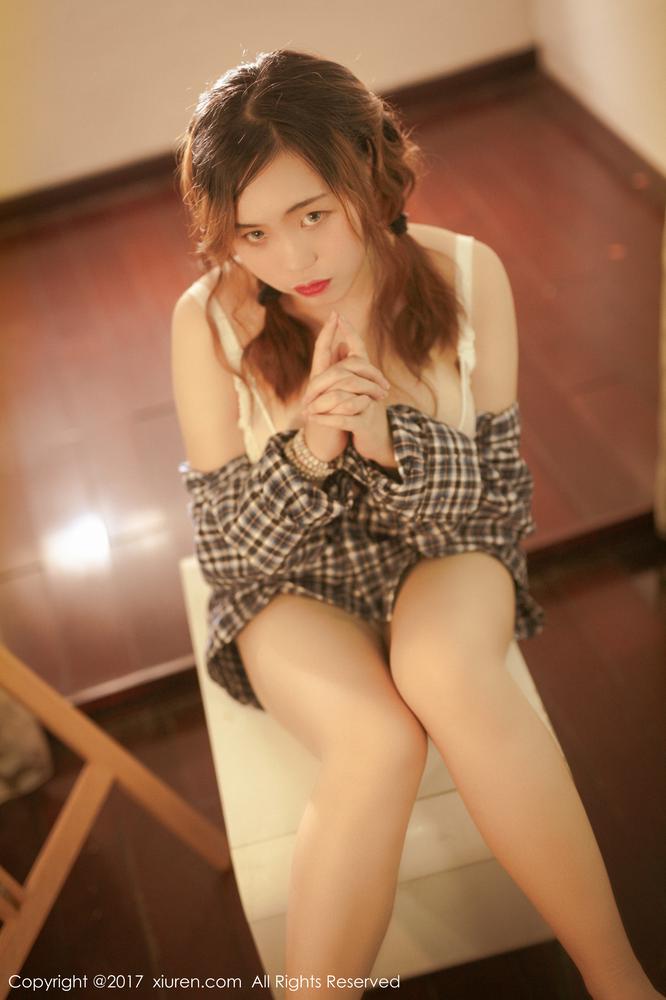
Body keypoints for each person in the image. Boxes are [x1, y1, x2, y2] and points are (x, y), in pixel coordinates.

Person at [171, 49, 662, 1000]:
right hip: (292, 583)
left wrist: (388, 436)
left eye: (313, 215)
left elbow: (500, 507)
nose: (292, 261)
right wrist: (313, 446)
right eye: (252, 233)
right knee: (377, 744)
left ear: (369, 169)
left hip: (443, 550)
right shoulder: (208, 322)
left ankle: (620, 983)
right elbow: (231, 558)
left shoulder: (466, 273)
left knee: (442, 671)